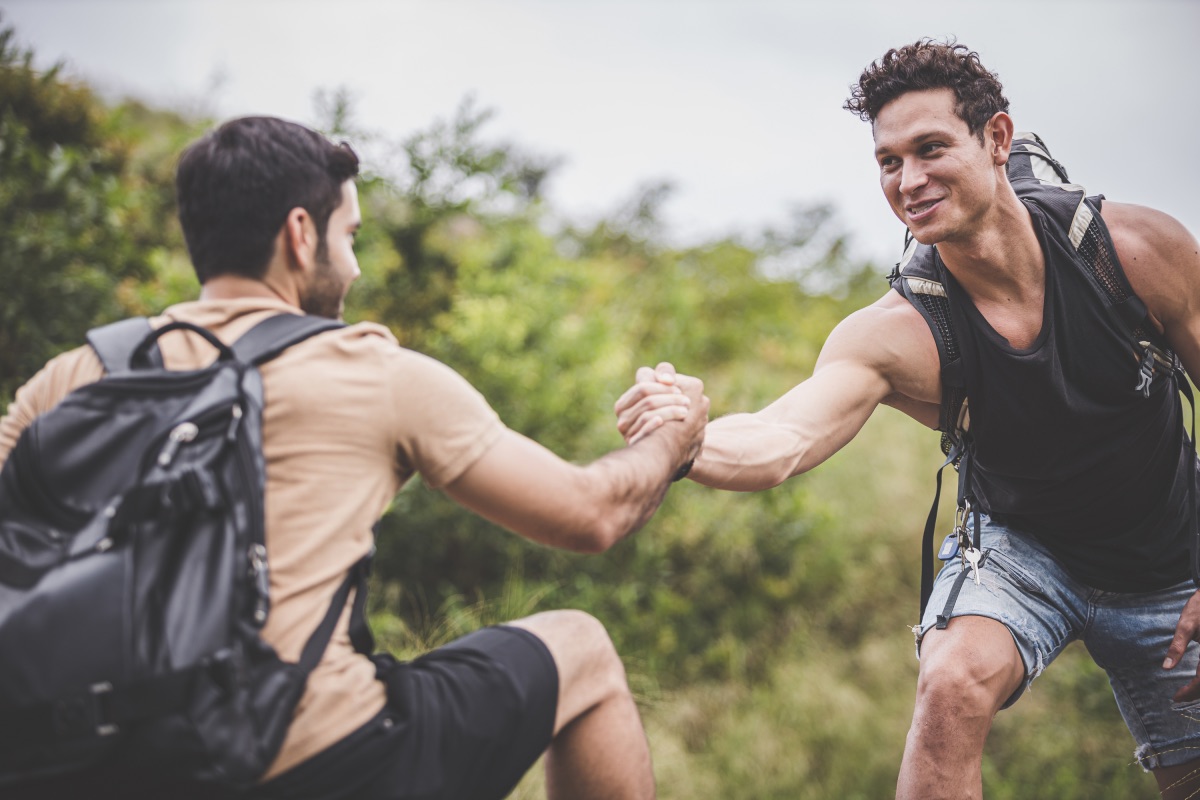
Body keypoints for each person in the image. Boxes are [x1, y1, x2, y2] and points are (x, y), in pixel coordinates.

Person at [0, 115, 709, 800]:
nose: (357, 264)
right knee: (581, 648)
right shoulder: (372, 370)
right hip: (299, 761)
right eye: (351, 235)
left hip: (72, 758)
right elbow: (590, 515)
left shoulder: (70, 376)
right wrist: (670, 440)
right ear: (300, 235)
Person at [615, 39, 1200, 800]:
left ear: (996, 140)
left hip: (1171, 557)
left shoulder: (1134, 252)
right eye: (889, 162)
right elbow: (783, 438)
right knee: (950, 682)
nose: (908, 180)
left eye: (930, 149)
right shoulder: (897, 332)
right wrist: (686, 437)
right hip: (1028, 556)